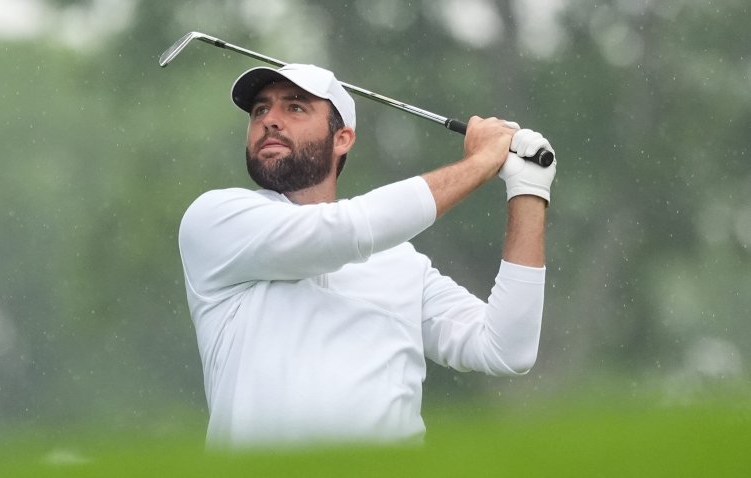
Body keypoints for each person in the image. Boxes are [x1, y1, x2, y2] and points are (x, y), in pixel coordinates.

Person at [178, 63, 557, 450]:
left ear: (341, 138)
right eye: (260, 110)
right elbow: (346, 231)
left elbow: (507, 348)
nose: (270, 121)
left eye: (294, 108)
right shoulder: (217, 221)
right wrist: (481, 162)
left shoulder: (402, 263)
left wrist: (529, 188)